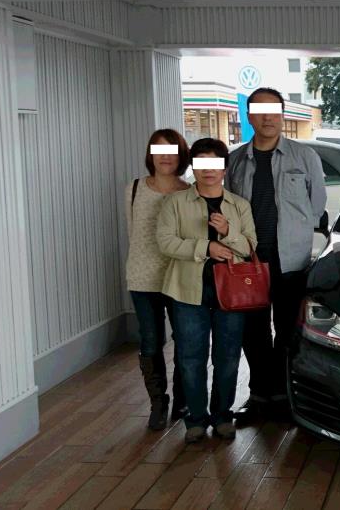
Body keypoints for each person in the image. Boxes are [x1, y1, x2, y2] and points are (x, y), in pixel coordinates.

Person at [225, 88, 326, 422]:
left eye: (274, 111)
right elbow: (229, 207)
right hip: (249, 262)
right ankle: (259, 396)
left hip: (291, 261)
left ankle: (284, 396)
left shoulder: (305, 157)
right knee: (253, 333)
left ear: (283, 115)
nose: (267, 117)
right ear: (249, 116)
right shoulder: (236, 161)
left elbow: (316, 205)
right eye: (259, 111)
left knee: (286, 332)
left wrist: (296, 234)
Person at [157, 138, 257, 443]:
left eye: (215, 164)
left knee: (228, 357)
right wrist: (206, 247)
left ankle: (223, 416)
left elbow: (250, 247)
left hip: (231, 294)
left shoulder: (239, 205)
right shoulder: (175, 203)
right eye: (201, 163)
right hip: (187, 292)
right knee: (190, 358)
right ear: (193, 167)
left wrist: (228, 232)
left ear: (224, 169)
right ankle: (196, 420)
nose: (208, 170)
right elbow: (165, 242)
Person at [125, 129, 191, 431]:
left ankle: (182, 400)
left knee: (185, 339)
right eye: (158, 150)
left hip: (179, 277)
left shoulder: (189, 191)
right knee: (150, 340)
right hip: (142, 277)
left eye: (172, 150)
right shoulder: (134, 188)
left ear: (181, 155)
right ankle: (158, 403)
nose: (165, 156)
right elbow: (133, 234)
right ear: (150, 154)